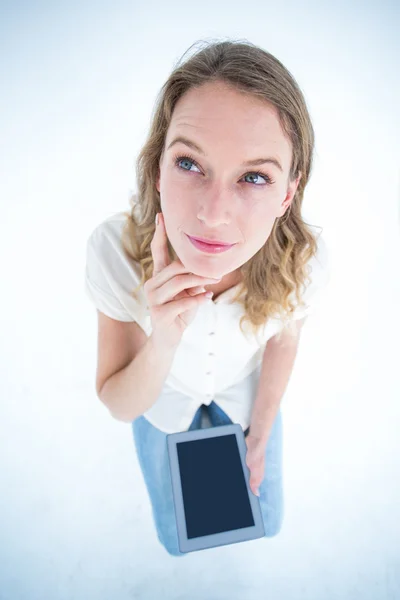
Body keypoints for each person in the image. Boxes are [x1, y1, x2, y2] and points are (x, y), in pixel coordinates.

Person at [84, 39, 331, 557]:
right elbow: (118, 400)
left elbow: (284, 341)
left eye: (255, 177)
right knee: (177, 537)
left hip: (245, 401)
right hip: (163, 405)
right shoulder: (114, 251)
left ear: (288, 192)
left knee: (267, 518)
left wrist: (261, 430)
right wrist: (165, 336)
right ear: (158, 168)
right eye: (190, 165)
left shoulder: (304, 260)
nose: (213, 214)